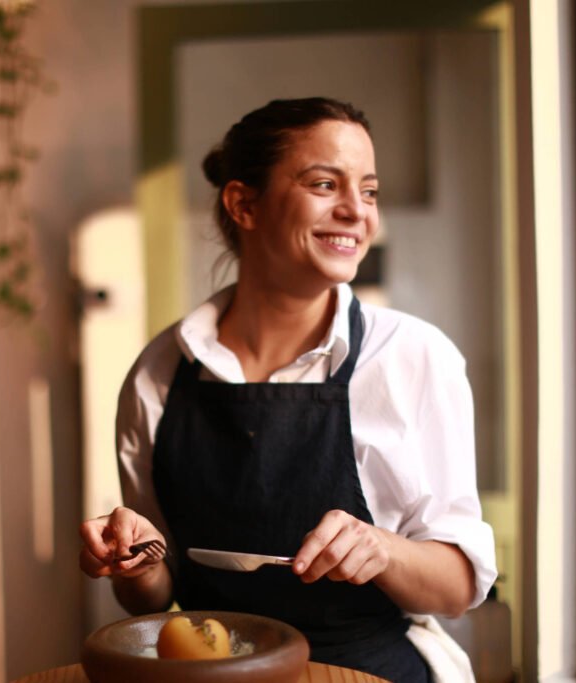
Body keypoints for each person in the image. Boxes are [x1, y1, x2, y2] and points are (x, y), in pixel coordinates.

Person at [80, 97, 497, 683]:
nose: (357, 211)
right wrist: (134, 559)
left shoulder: (413, 358)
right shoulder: (158, 372)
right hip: (208, 672)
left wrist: (382, 549)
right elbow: (150, 598)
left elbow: (456, 590)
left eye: (370, 191)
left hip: (367, 669)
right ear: (244, 204)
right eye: (326, 184)